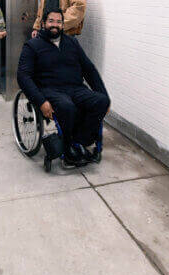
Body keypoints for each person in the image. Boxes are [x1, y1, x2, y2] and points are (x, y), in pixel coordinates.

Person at [18, 9, 110, 166]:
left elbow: (89, 69)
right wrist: (41, 101)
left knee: (101, 101)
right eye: (51, 21)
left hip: (75, 88)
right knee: (67, 107)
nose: (55, 25)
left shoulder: (72, 43)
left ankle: (79, 142)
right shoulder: (32, 46)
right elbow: (23, 76)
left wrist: (104, 95)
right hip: (50, 90)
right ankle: (67, 149)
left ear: (63, 24)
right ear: (43, 24)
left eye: (59, 22)